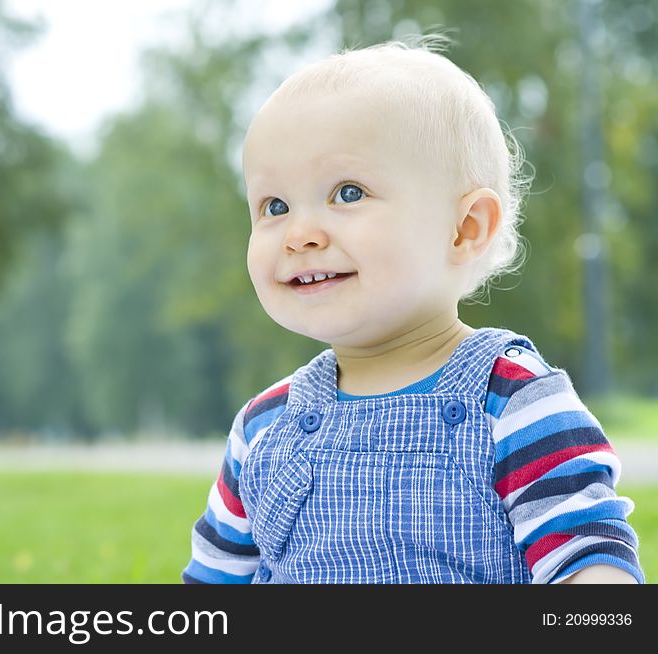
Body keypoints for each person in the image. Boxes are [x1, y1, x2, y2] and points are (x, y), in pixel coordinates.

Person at [181, 36, 644, 584]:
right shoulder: (263, 427)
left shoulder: (512, 400)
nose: (300, 234)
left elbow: (591, 563)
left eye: (348, 193)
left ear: (465, 229)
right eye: (274, 207)